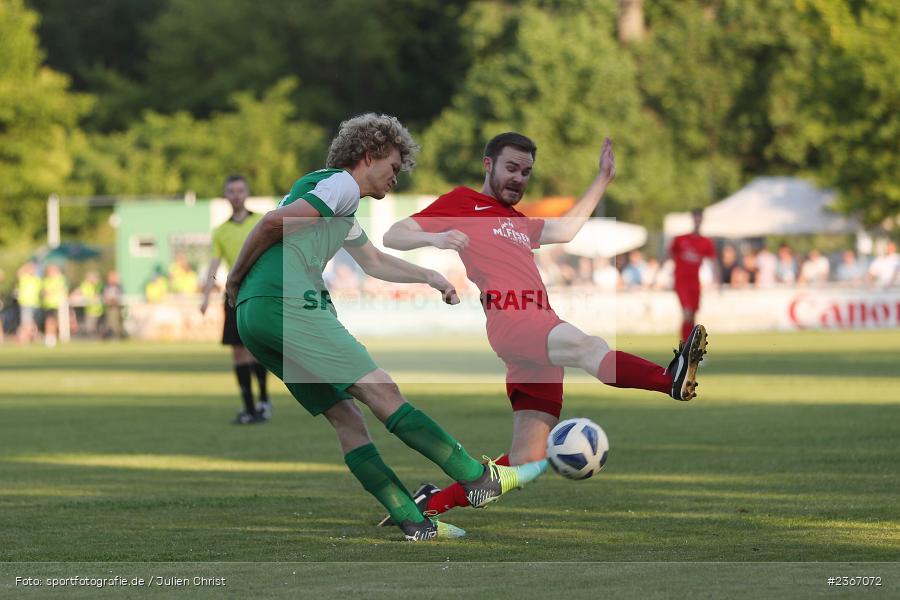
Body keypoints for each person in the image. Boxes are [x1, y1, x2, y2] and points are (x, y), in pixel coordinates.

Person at [225, 114, 545, 541]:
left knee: (347, 419)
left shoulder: (337, 203)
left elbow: (374, 262)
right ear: (368, 156)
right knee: (382, 390)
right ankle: (476, 477)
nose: (395, 177)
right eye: (393, 167)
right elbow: (269, 222)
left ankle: (415, 522)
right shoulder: (340, 184)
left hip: (256, 317)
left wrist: (430, 276)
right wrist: (233, 276)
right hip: (285, 304)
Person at [383, 132, 708, 519]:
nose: (519, 178)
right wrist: (437, 238)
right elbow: (394, 234)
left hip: (538, 325)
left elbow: (567, 230)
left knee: (524, 463)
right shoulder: (461, 202)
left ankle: (429, 504)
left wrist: (603, 178)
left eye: (526, 172)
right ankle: (667, 378)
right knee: (589, 347)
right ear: (488, 165)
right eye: (511, 168)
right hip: (514, 320)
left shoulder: (517, 221)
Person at [200, 175, 271, 425]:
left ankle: (264, 401)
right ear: (225, 195)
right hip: (234, 294)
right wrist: (206, 294)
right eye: (231, 191)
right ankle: (249, 408)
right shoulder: (221, 230)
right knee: (238, 352)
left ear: (247, 192)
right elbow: (214, 264)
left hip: (259, 292)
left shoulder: (261, 222)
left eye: (240, 190)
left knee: (256, 350)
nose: (236, 194)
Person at [668, 209, 717, 342]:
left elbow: (713, 261)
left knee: (693, 315)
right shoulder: (680, 239)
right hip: (681, 281)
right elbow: (668, 255)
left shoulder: (706, 241)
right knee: (687, 313)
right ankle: (684, 347)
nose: (697, 221)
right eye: (695, 218)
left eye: (699, 218)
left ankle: (689, 350)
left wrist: (717, 279)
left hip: (695, 282)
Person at [41, 263, 68, 348]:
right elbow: (44, 292)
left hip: (58, 304)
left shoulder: (61, 279)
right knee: (49, 320)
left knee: (56, 322)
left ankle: (55, 337)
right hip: (48, 304)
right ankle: (50, 337)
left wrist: (50, 292)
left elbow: (61, 289)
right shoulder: (46, 280)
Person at [15, 262, 42, 344]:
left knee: (31, 322)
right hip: (25, 303)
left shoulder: (37, 279)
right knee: (26, 322)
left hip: (35, 304)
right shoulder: (24, 278)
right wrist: (26, 266)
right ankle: (23, 338)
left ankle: (31, 337)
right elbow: (18, 273)